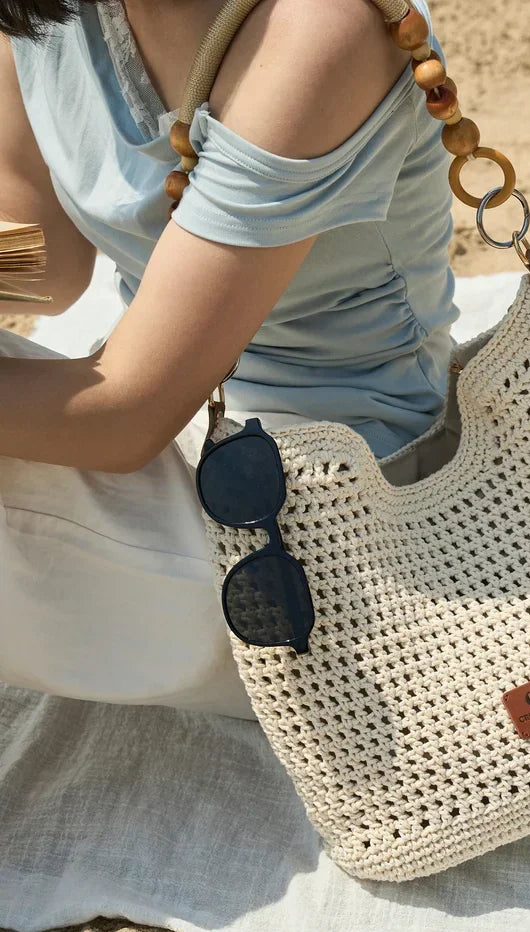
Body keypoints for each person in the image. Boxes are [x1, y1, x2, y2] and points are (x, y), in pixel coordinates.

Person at [0, 0, 457, 718]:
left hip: (336, 508)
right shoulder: (46, 14)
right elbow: (45, 265)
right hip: (179, 421)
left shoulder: (318, 24)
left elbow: (124, 418)